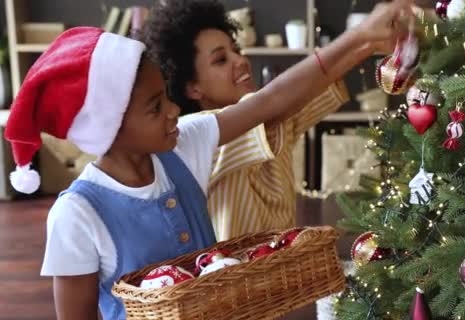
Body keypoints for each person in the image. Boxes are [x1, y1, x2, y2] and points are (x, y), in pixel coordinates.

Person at [4, 1, 412, 318]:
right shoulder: (76, 215)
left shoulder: (184, 145)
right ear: (108, 127)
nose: (173, 111)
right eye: (154, 106)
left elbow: (269, 101)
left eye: (166, 96)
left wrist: (361, 38)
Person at [143, 0, 408, 241]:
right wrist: (362, 35)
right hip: (236, 289)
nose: (241, 61)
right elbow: (272, 102)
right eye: (221, 60)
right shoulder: (203, 136)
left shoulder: (276, 119)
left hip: (283, 284)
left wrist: (371, 44)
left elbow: (312, 85)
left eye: (236, 50)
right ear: (192, 88)